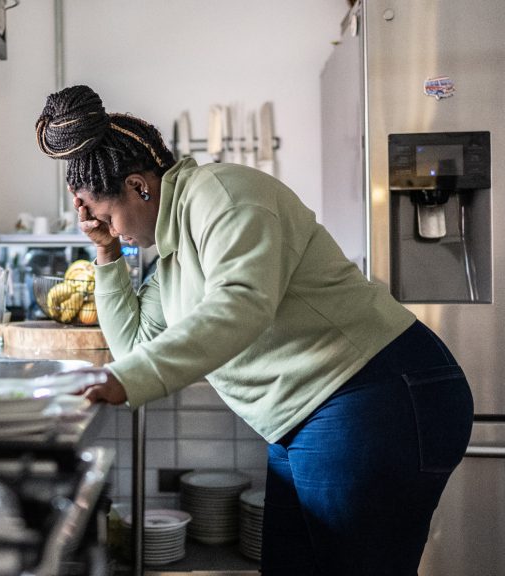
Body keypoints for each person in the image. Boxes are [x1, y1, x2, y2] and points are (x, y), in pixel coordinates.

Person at [35, 85, 474, 575]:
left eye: (107, 218)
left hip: (379, 395)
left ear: (139, 186)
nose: (110, 229)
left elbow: (241, 304)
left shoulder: (222, 196)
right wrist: (107, 255)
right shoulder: (174, 253)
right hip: (312, 416)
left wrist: (127, 379)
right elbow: (134, 345)